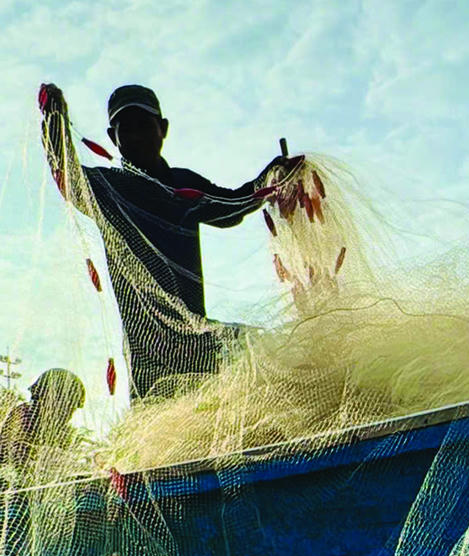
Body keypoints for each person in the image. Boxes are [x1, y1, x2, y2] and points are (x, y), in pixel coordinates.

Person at [40, 81, 300, 397]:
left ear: (162, 129)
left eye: (144, 126)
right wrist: (54, 119)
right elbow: (67, 175)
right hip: (149, 356)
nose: (136, 137)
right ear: (113, 138)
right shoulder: (109, 189)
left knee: (264, 370)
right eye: (126, 129)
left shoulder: (184, 186)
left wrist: (272, 174)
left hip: (198, 340)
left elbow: (232, 207)